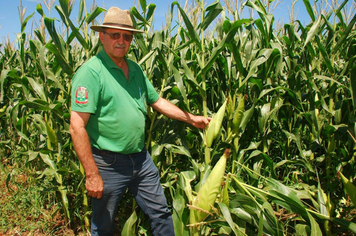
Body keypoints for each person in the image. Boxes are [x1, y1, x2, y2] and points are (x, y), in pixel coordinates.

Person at [69, 6, 210, 236]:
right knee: (103, 226)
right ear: (101, 36)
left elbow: (158, 102)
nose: (121, 41)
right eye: (115, 35)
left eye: (127, 36)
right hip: (108, 164)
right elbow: (77, 127)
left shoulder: (134, 69)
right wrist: (92, 174)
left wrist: (191, 119)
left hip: (141, 159)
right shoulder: (91, 73)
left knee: (161, 214)